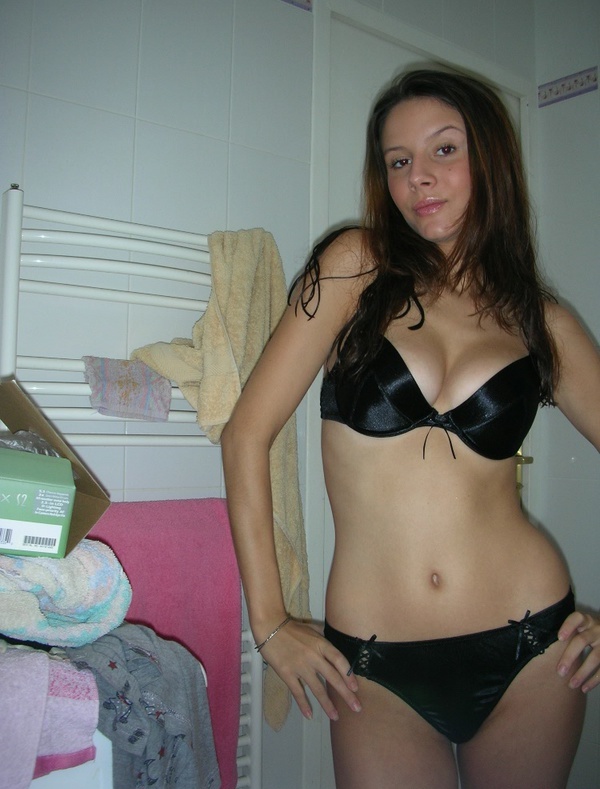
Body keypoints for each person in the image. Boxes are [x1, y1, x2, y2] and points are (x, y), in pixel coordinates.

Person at [220, 68, 600, 789]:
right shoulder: (355, 266)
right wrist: (268, 623)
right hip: (375, 661)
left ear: (490, 158)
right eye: (398, 161)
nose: (418, 177)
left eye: (444, 150)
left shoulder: (538, 319)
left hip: (532, 647)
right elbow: (245, 434)